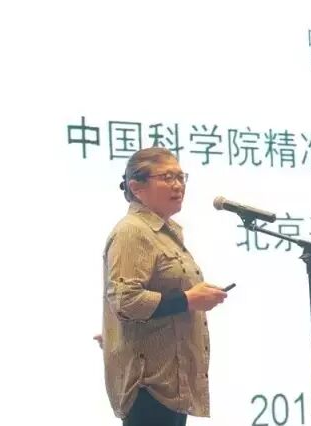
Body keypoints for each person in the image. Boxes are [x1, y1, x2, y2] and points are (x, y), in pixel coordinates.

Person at [100, 147, 227, 426]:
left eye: (181, 177)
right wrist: (188, 299)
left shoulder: (166, 231)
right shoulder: (133, 231)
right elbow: (126, 300)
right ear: (137, 187)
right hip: (149, 385)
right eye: (167, 177)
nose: (178, 185)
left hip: (173, 379)